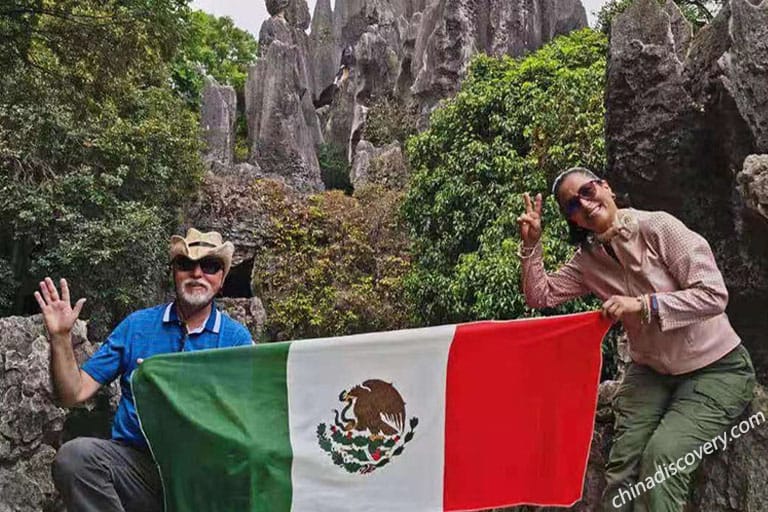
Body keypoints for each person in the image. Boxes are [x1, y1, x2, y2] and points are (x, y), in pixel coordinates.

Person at [516, 167, 755, 512]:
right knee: (622, 468)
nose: (584, 203)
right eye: (571, 205)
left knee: (662, 459)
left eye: (587, 190)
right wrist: (531, 246)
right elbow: (541, 295)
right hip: (652, 372)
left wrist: (643, 305)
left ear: (606, 187)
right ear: (573, 220)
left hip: (717, 369)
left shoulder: (658, 227)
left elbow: (714, 295)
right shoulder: (589, 261)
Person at [34, 228, 254, 512]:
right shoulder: (137, 326)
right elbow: (73, 394)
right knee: (75, 458)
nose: (197, 273)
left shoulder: (236, 340)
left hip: (202, 475)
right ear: (174, 272)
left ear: (222, 278)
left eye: (210, 266)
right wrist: (61, 338)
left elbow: (251, 419)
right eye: (186, 264)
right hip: (137, 469)